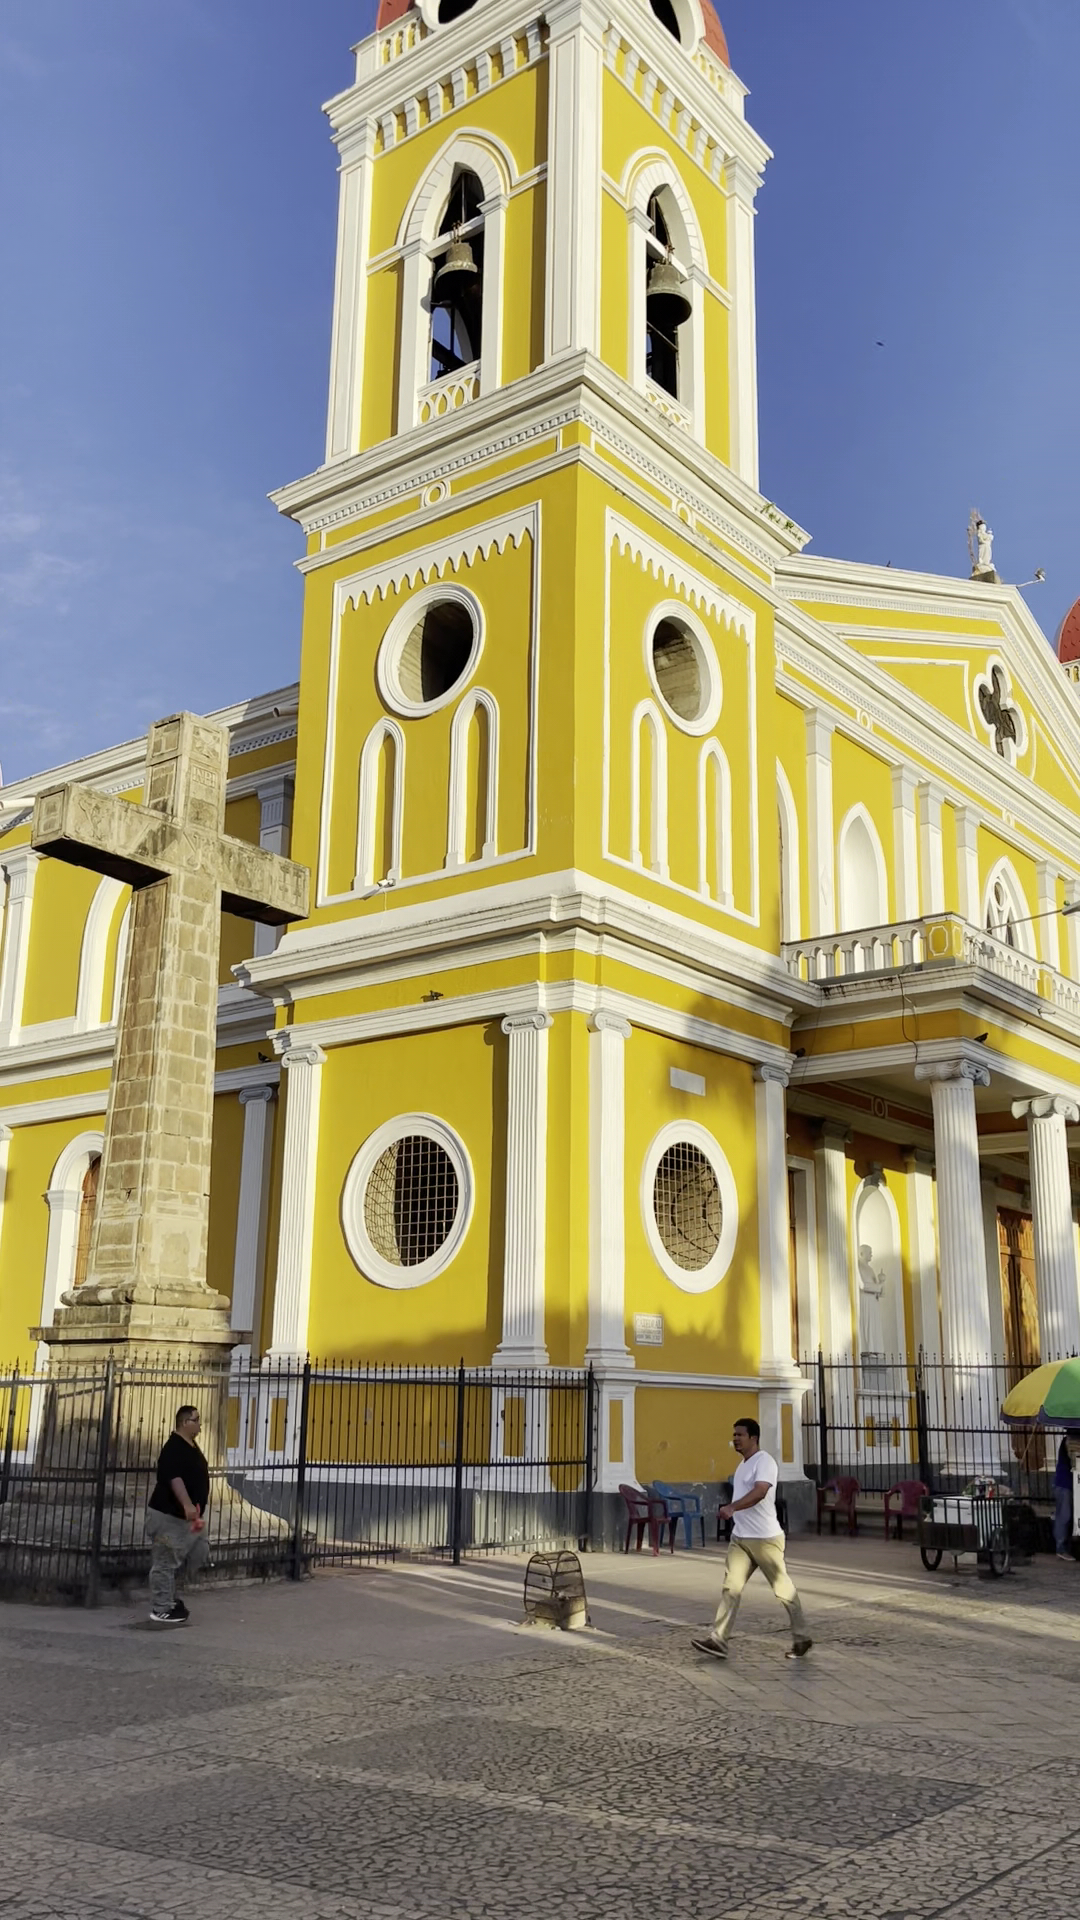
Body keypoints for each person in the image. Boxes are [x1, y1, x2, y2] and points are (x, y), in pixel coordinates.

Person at [692, 1417, 811, 1661]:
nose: (735, 1439)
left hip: (765, 1539)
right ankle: (719, 1640)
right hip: (741, 1538)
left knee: (782, 1589)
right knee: (731, 1588)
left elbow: (760, 1491)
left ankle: (801, 1637)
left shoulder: (764, 1461)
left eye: (740, 1435)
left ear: (753, 1438)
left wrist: (732, 1507)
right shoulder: (742, 1465)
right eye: (734, 1435)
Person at [146, 1404, 210, 1626]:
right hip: (169, 1516)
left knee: (199, 1550)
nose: (200, 1425)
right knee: (165, 1560)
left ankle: (172, 1595)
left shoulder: (191, 1445)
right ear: (184, 1423)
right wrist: (187, 1504)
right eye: (196, 1420)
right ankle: (161, 1608)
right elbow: (174, 1478)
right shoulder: (173, 1447)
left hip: (190, 1519)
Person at [1054, 1435, 1076, 1562]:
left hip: (1069, 1483)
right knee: (1064, 1515)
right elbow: (1075, 1459)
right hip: (1065, 1483)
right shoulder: (1070, 1440)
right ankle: (1061, 1548)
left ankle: (1065, 1547)